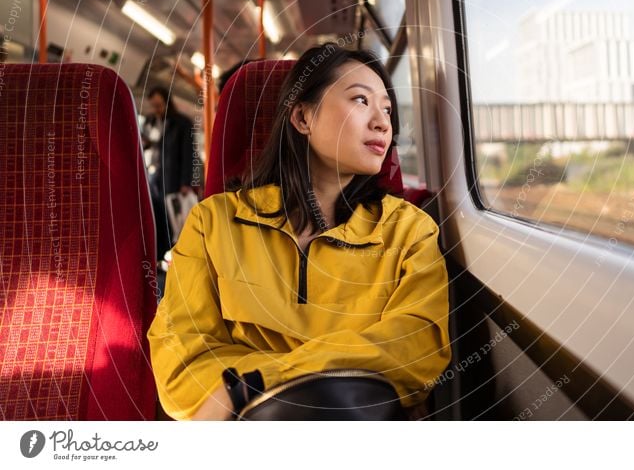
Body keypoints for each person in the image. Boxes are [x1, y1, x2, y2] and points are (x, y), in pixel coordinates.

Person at [147, 44, 451, 420]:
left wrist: (251, 385)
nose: (382, 123)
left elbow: (417, 348)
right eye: (360, 100)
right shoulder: (213, 223)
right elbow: (179, 355)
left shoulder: (408, 231)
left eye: (387, 109)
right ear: (303, 118)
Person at [141, 87, 197, 263]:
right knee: (158, 219)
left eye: (159, 105)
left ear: (166, 102)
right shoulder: (150, 122)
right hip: (154, 180)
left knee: (177, 223)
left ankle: (182, 258)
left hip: (174, 180)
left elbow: (188, 154)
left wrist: (186, 181)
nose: (157, 109)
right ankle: (161, 259)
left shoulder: (182, 123)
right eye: (154, 106)